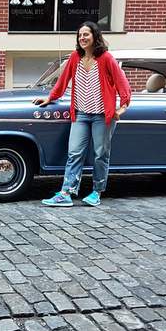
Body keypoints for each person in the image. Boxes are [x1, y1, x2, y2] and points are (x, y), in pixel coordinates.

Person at [34, 21, 131, 207]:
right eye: (79, 35)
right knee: (74, 153)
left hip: (102, 116)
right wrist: (50, 98)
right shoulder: (74, 57)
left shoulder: (106, 58)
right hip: (80, 114)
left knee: (100, 154)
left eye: (86, 34)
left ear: (95, 36)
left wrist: (121, 108)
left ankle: (96, 192)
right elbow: (62, 81)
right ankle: (66, 193)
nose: (82, 38)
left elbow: (122, 84)